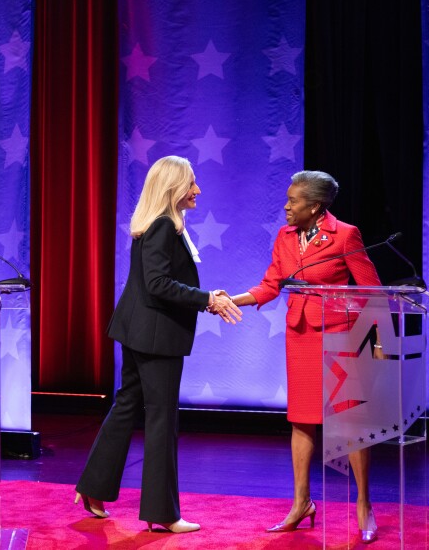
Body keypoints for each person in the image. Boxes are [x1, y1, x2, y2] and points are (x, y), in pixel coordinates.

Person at [74, 155, 242, 534]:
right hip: (155, 335)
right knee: (162, 418)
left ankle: (93, 488)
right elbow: (158, 284)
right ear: (173, 188)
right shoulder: (165, 225)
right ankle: (162, 513)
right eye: (192, 183)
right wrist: (206, 299)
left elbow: (158, 281)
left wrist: (205, 295)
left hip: (138, 330)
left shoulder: (157, 224)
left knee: (127, 406)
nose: (198, 190)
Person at [231, 170, 382, 543]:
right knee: (301, 419)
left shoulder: (346, 234)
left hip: (338, 335)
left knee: (348, 422)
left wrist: (378, 342)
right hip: (299, 335)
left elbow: (372, 290)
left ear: (315, 207)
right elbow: (271, 284)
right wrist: (233, 300)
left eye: (293, 201)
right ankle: (301, 503)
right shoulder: (284, 236)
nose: (286, 207)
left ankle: (364, 504)